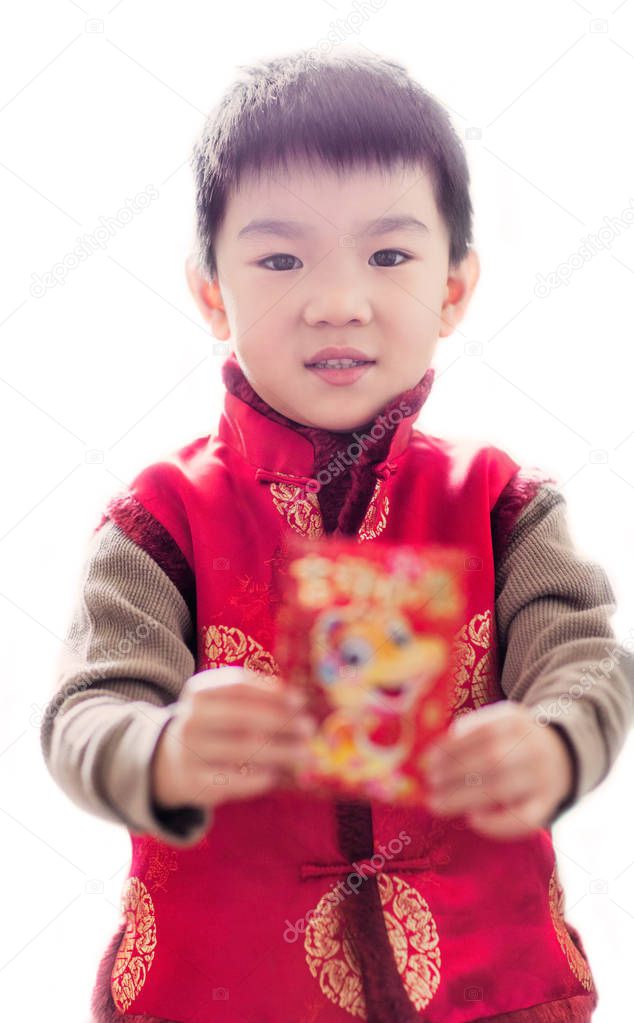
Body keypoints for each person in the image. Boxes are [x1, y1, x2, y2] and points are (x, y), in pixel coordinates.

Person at [39, 49, 634, 1023]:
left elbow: (585, 658)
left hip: (487, 984)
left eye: (389, 256)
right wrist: (160, 749)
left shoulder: (501, 503)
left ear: (452, 289)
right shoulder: (159, 520)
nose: (336, 300)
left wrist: (556, 741)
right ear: (210, 294)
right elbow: (86, 709)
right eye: (279, 260)